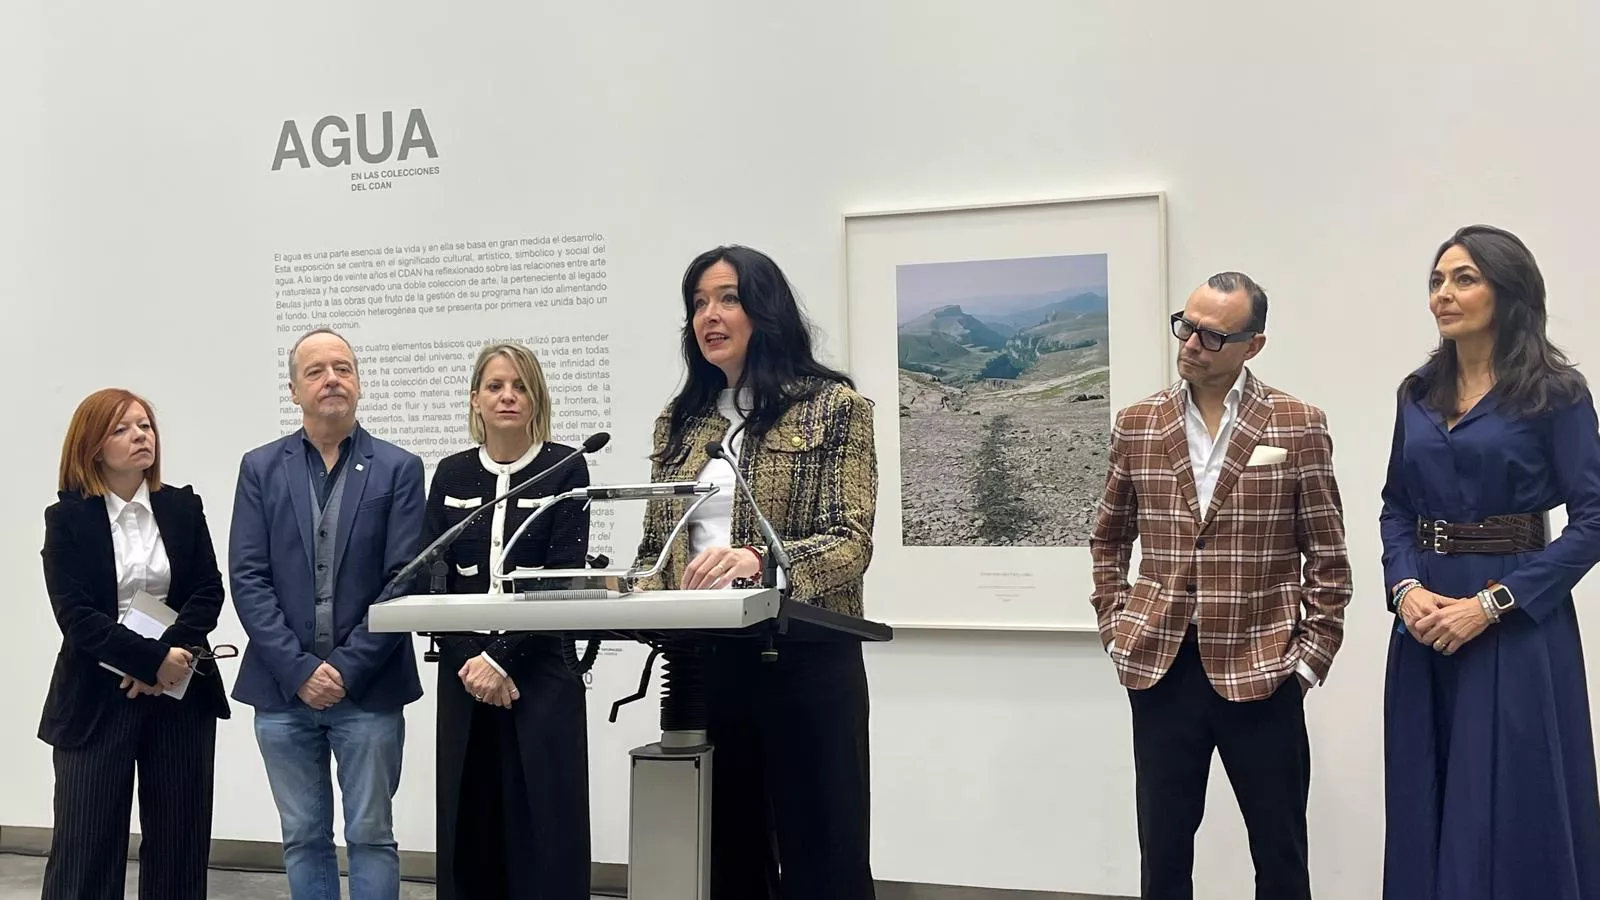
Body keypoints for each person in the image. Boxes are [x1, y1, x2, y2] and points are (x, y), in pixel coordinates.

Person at [1089, 272, 1351, 900]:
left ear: (1252, 345)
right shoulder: (1139, 422)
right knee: (1164, 856)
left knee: (1281, 856)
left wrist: (1308, 662)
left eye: (1212, 334)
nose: (1192, 344)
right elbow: (1109, 536)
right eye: (1187, 325)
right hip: (1160, 668)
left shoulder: (1298, 423)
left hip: (1264, 671)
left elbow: (1329, 556)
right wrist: (1114, 624)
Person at [631, 245, 879, 899]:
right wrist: (626, 595)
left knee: (823, 856)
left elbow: (850, 543)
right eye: (698, 303)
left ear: (764, 310)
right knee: (725, 858)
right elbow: (655, 549)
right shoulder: (679, 422)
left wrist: (762, 561)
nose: (709, 315)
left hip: (805, 662)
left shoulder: (835, 407)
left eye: (727, 298)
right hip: (708, 664)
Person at [1379, 225, 1600, 899]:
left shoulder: (1556, 393)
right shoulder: (1416, 393)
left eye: (1464, 278)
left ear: (1509, 292)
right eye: (1437, 280)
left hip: (1515, 623)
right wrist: (1403, 588)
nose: (1443, 294)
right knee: (1426, 789)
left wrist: (1492, 605)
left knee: (1507, 798)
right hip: (1424, 623)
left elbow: (1592, 520)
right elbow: (1395, 507)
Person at [229, 327, 426, 899]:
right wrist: (299, 671)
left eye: (342, 367)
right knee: (300, 836)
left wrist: (344, 668)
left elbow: (402, 582)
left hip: (369, 690)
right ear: (294, 390)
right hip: (281, 692)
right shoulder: (260, 468)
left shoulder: (399, 468)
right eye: (316, 371)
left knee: (371, 833)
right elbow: (249, 577)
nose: (331, 379)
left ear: (359, 384)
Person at [37, 388, 232, 900]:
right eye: (122, 428)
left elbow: (208, 590)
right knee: (86, 848)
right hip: (95, 698)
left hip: (179, 691)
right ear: (93, 446)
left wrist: (172, 659)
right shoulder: (68, 518)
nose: (139, 436)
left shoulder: (182, 506)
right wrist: (149, 660)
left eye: (144, 425)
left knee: (179, 845)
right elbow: (75, 615)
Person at [422, 342, 592, 899]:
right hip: (464, 672)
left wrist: (502, 657)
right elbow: (433, 576)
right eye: (495, 386)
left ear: (536, 397)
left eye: (520, 386)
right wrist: (473, 658)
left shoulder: (567, 465)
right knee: (470, 825)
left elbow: (564, 576)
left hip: (540, 670)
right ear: (476, 399)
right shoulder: (450, 472)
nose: (508, 396)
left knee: (545, 827)